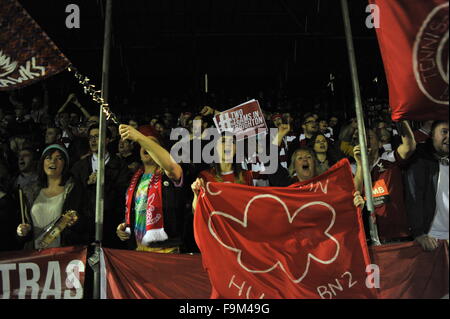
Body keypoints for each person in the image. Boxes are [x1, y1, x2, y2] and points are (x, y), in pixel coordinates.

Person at [116, 124, 186, 253]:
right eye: (143, 143)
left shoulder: (169, 174)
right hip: (138, 250)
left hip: (166, 251)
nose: (146, 146)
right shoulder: (134, 178)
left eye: (151, 143)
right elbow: (137, 210)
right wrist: (124, 228)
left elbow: (169, 165)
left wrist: (139, 136)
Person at [353, 120, 416, 243]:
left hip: (398, 235)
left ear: (380, 143)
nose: (364, 142)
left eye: (369, 137)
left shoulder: (390, 160)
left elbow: (410, 146)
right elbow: (355, 192)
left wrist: (401, 119)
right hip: (370, 238)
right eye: (360, 139)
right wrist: (361, 165)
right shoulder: (353, 168)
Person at [16, 144, 87, 249]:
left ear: (65, 164)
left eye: (58, 158)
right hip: (35, 258)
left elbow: (86, 224)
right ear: (42, 162)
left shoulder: (74, 190)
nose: (53, 161)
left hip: (64, 256)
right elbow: (23, 226)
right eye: (48, 158)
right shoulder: (29, 192)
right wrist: (22, 232)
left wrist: (76, 222)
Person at [70, 125, 130, 248]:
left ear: (107, 140)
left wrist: (105, 183)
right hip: (85, 232)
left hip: (111, 229)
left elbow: (122, 196)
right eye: (91, 137)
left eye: (97, 137)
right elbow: (76, 198)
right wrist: (88, 184)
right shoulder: (79, 167)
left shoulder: (120, 166)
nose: (93, 140)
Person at [404, 120, 449, 251]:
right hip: (433, 239)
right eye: (444, 132)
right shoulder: (419, 159)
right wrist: (419, 233)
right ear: (432, 135)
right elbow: (414, 197)